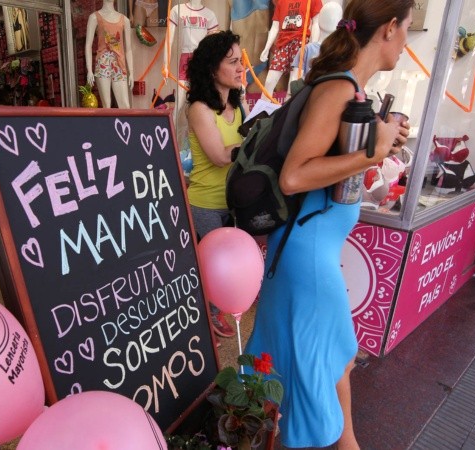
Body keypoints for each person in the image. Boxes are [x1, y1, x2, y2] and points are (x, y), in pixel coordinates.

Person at [243, 1, 413, 449]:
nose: (407, 43)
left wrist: (379, 136)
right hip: (307, 255)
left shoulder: (347, 89)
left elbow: (331, 164)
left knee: (331, 362)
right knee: (311, 373)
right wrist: (372, 152)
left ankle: (346, 444)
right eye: (409, 30)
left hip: (309, 248)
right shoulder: (338, 89)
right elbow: (294, 175)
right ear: (390, 28)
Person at [185, 30, 248, 338]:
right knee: (212, 265)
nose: (240, 68)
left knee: (229, 264)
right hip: (205, 202)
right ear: (212, 69)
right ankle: (207, 315)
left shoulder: (238, 108)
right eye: (232, 62)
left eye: (241, 61)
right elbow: (220, 157)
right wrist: (254, 142)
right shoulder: (199, 108)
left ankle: (216, 307)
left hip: (234, 201)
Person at [165, 0, 219, 119]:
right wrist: (165, 65)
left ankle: (194, 136)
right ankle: (171, 135)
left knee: (202, 103)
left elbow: (213, 46)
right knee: (179, 102)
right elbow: (168, 40)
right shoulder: (178, 10)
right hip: (186, 59)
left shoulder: (210, 15)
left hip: (202, 61)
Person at [259, 0, 322, 100]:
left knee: (293, 85)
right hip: (282, 44)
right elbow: (275, 26)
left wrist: (312, 48)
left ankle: (287, 113)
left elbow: (316, 23)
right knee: (269, 82)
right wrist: (266, 48)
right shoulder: (281, 1)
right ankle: (262, 111)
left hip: (300, 43)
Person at [85, 0, 134, 109]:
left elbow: (128, 49)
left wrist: (131, 72)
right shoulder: (94, 17)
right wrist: (89, 70)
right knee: (106, 105)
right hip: (103, 63)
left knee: (125, 106)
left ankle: (126, 126)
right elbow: (88, 45)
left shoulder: (124, 20)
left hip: (119, 64)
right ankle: (109, 125)